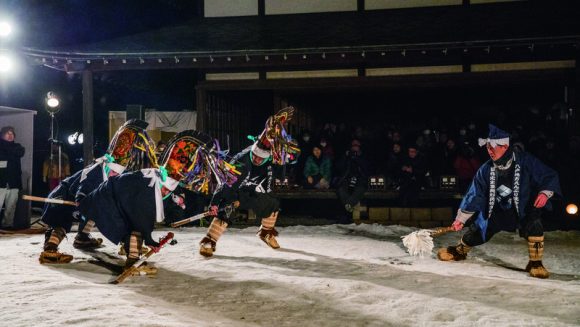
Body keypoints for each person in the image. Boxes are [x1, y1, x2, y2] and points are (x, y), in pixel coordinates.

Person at [80, 130, 234, 274]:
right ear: (161, 184)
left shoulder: (154, 181)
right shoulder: (147, 188)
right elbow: (141, 218)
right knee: (135, 228)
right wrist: (150, 240)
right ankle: (132, 261)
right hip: (105, 200)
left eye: (168, 192)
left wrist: (150, 238)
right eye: (165, 190)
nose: (166, 193)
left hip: (112, 200)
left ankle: (132, 256)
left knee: (134, 227)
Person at [437, 124, 561, 279]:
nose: (489, 151)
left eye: (493, 147)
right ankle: (459, 251)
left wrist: (545, 193)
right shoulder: (485, 169)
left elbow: (548, 175)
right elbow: (474, 194)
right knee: (479, 230)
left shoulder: (525, 161)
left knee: (534, 224)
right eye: (487, 147)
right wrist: (461, 219)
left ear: (504, 146)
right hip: (496, 208)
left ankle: (535, 263)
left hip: (522, 206)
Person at [39, 119, 157, 264]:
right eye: (113, 173)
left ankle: (83, 238)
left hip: (89, 202)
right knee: (62, 222)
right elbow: (85, 187)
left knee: (96, 211)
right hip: (63, 198)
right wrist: (80, 198)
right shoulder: (97, 171)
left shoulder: (117, 177)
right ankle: (50, 249)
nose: (115, 175)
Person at [199, 107, 300, 257]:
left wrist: (283, 160)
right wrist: (214, 203)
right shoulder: (241, 162)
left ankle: (265, 233)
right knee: (227, 208)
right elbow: (225, 185)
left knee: (272, 204)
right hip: (235, 190)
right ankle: (209, 240)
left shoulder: (271, 161)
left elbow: (279, 175)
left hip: (254, 191)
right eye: (255, 156)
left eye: (261, 158)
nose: (257, 159)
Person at [335, 139, 369, 215]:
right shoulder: (347, 155)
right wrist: (345, 156)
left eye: (357, 145)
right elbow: (339, 167)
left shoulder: (363, 155)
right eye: (353, 145)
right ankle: (350, 207)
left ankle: (349, 205)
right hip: (348, 179)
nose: (355, 147)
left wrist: (356, 158)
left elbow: (366, 168)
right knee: (340, 189)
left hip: (360, 179)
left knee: (360, 189)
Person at [0, 126, 25, 230]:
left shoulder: (18, 146)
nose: (10, 135)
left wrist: (6, 153)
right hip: (1, 181)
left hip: (14, 181)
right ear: (2, 135)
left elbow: (20, 152)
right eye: (8, 133)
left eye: (12, 134)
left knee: (11, 206)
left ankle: (7, 225)